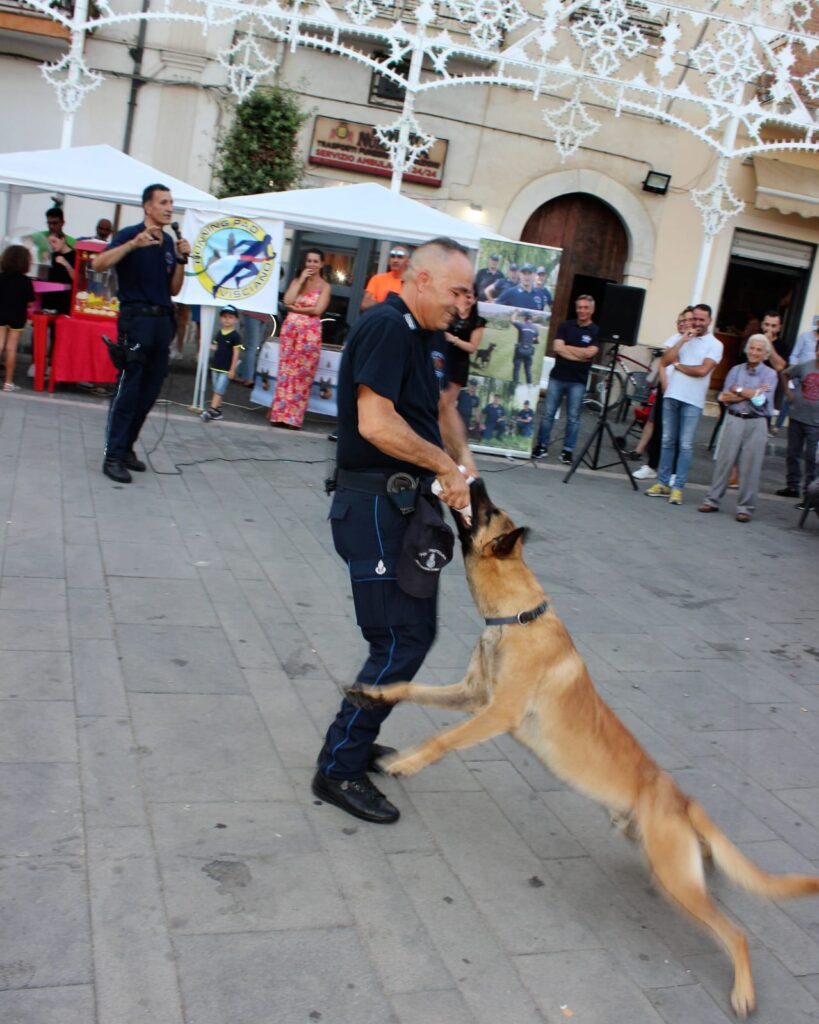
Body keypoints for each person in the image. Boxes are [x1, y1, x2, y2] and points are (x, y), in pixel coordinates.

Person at [312, 237, 475, 825]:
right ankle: (338, 767)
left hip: (404, 510)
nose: (465, 303)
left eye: (469, 293)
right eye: (457, 290)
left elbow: (436, 412)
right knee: (399, 641)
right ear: (420, 279)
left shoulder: (425, 337)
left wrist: (465, 468)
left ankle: (356, 738)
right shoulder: (386, 325)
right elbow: (375, 423)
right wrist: (442, 467)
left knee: (414, 633)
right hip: (374, 507)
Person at [93, 182, 191, 484]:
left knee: (149, 394)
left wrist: (181, 261)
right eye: (163, 202)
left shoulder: (167, 243)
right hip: (136, 320)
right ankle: (113, 454)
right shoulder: (129, 235)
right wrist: (132, 245)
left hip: (162, 322)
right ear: (148, 207)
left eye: (171, 202)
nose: (168, 207)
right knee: (129, 390)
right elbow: (98, 264)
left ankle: (126, 448)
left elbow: (173, 289)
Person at [646, 303, 723, 505]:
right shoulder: (682, 338)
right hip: (672, 395)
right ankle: (662, 483)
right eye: (694, 318)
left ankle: (678, 487)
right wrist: (682, 341)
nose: (696, 323)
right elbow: (665, 361)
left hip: (693, 400)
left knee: (686, 445)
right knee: (667, 440)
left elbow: (702, 371)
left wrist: (678, 365)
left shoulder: (715, 344)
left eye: (701, 320)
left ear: (709, 320)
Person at [698, 334, 777, 522]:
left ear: (765, 354)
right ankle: (712, 500)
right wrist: (753, 392)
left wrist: (739, 390)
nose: (754, 352)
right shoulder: (735, 370)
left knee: (751, 466)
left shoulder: (770, 374)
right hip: (734, 418)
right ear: (747, 349)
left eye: (759, 350)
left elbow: (761, 401)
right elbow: (724, 397)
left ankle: (746, 508)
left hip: (756, 422)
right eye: (752, 348)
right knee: (724, 461)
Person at [269, 248, 331, 430]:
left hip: (309, 334)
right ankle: (279, 414)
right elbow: (287, 300)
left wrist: (295, 309)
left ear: (321, 264)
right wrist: (301, 280)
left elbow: (317, 310)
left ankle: (293, 418)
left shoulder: (325, 286)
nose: (311, 264)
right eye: (309, 261)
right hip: (290, 332)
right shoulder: (298, 281)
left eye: (315, 261)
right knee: (285, 371)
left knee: (302, 374)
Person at [533, 295, 599, 463]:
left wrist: (567, 349)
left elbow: (591, 353)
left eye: (585, 308)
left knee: (573, 418)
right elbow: (557, 347)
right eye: (579, 307)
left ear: (592, 310)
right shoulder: (565, 325)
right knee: (548, 414)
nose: (582, 311)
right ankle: (541, 446)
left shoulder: (595, 331)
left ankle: (567, 450)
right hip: (558, 377)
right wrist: (579, 353)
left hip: (578, 381)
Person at [631, 308, 694, 480]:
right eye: (680, 320)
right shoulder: (674, 339)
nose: (683, 323)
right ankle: (652, 465)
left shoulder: (696, 342)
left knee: (677, 434)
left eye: (687, 320)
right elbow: (664, 362)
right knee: (658, 428)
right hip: (665, 389)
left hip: (683, 392)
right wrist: (664, 382)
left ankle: (673, 471)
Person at [776, 334, 819, 508]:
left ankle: (809, 496)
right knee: (792, 453)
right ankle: (792, 486)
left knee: (811, 459)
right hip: (797, 416)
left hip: (815, 423)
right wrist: (788, 392)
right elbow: (785, 374)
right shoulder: (804, 366)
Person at [442, 288, 485, 426]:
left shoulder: (478, 321)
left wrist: (454, 340)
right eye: (464, 296)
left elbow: (472, 347)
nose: (466, 300)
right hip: (440, 360)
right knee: (434, 399)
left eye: (470, 297)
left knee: (447, 404)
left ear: (475, 300)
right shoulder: (450, 311)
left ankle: (444, 439)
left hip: (459, 364)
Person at [0, 245, 35, 393]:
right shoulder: (26, 281)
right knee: (11, 348)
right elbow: (30, 302)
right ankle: (8, 382)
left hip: (0, 313)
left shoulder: (0, 277)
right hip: (17, 316)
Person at [201, 305, 244, 422]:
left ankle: (211, 410)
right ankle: (217, 412)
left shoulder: (236, 336)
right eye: (224, 317)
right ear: (220, 318)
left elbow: (236, 353)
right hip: (216, 366)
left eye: (230, 317)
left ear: (235, 320)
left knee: (219, 389)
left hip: (226, 369)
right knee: (216, 389)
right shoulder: (219, 333)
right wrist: (206, 345)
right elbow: (217, 347)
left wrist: (232, 369)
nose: (227, 319)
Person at [360, 245, 409, 310]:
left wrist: (378, 304)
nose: (395, 260)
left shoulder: (411, 283)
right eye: (392, 256)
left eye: (400, 257)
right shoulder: (377, 279)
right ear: (389, 260)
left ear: (408, 262)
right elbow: (365, 304)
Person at [46, 232, 76, 315]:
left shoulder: (75, 256)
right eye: (49, 243)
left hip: (66, 302)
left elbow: (76, 279)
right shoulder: (53, 255)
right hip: (51, 301)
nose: (52, 245)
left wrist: (66, 264)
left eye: (54, 241)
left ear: (62, 239)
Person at [510, 309, 541, 385]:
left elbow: (513, 320)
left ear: (525, 318)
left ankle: (515, 385)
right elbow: (538, 341)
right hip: (529, 351)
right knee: (528, 370)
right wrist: (531, 341)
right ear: (531, 319)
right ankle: (529, 385)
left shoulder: (522, 325)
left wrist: (516, 312)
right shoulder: (535, 328)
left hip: (520, 350)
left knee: (517, 369)